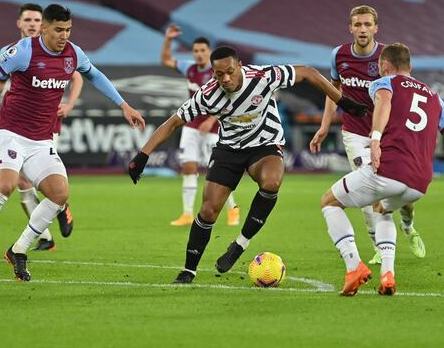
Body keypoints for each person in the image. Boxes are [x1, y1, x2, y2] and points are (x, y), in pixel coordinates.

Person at [0, 4, 144, 282]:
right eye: (58, 30)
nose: (64, 35)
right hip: (10, 134)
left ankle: (19, 250)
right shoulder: (23, 51)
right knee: (5, 185)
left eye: (68, 30)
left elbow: (95, 75)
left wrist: (123, 105)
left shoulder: (73, 54)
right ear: (44, 28)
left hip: (41, 141)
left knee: (59, 194)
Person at [128, 46, 368, 284]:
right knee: (209, 210)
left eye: (230, 72)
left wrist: (344, 103)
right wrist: (143, 155)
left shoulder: (263, 77)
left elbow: (307, 72)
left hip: (265, 145)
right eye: (219, 74)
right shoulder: (207, 94)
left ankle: (240, 244)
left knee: (272, 182)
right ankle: (188, 270)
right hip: (229, 150)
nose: (226, 78)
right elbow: (172, 123)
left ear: (239, 65)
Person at [319, 43, 444, 296]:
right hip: (420, 183)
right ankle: (388, 275)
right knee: (382, 210)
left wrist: (376, 137)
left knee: (329, 202)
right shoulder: (434, 97)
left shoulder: (384, 83)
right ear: (410, 67)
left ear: (384, 67)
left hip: (389, 170)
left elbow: (383, 101)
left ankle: (353, 266)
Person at [309, 5, 425, 265]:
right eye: (357, 25)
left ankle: (408, 225)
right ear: (350, 28)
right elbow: (333, 91)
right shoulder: (338, 55)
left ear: (375, 27)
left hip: (387, 134)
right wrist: (324, 126)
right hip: (355, 134)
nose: (362, 29)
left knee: (401, 195)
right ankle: (378, 247)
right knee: (366, 192)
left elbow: (405, 93)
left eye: (367, 24)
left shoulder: (387, 57)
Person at [0, 3, 83, 250]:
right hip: (17, 126)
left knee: (33, 182)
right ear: (19, 23)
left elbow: (78, 75)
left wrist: (70, 104)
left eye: (36, 20)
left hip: (45, 128)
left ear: (43, 25)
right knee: (21, 183)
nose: (31, 24)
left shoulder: (58, 51)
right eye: (27, 19)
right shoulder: (12, 51)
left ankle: (60, 206)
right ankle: (46, 237)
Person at [160, 24, 238, 226]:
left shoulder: (219, 72)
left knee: (218, 171)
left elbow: (228, 99)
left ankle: (233, 209)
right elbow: (166, 60)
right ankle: (186, 213)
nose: (199, 54)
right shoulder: (189, 68)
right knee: (189, 166)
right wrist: (168, 39)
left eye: (203, 50)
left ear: (209, 52)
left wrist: (212, 119)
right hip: (192, 125)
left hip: (213, 128)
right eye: (195, 51)